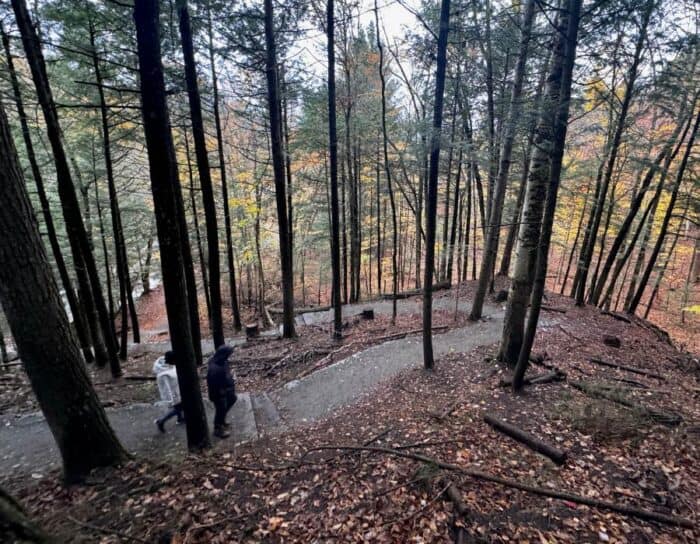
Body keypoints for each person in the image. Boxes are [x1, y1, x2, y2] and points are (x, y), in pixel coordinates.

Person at [206, 345, 236, 438]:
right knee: (220, 409)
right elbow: (214, 384)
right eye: (228, 354)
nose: (229, 356)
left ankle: (222, 420)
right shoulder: (214, 368)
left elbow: (226, 373)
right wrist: (222, 392)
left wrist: (231, 378)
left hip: (227, 390)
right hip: (219, 394)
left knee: (232, 399)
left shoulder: (223, 361)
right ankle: (217, 429)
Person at [153, 350, 184, 433]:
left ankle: (180, 418)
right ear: (171, 360)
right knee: (177, 408)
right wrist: (171, 400)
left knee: (180, 407)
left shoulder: (171, 365)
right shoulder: (163, 374)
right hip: (174, 394)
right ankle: (161, 421)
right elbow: (166, 388)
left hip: (178, 390)